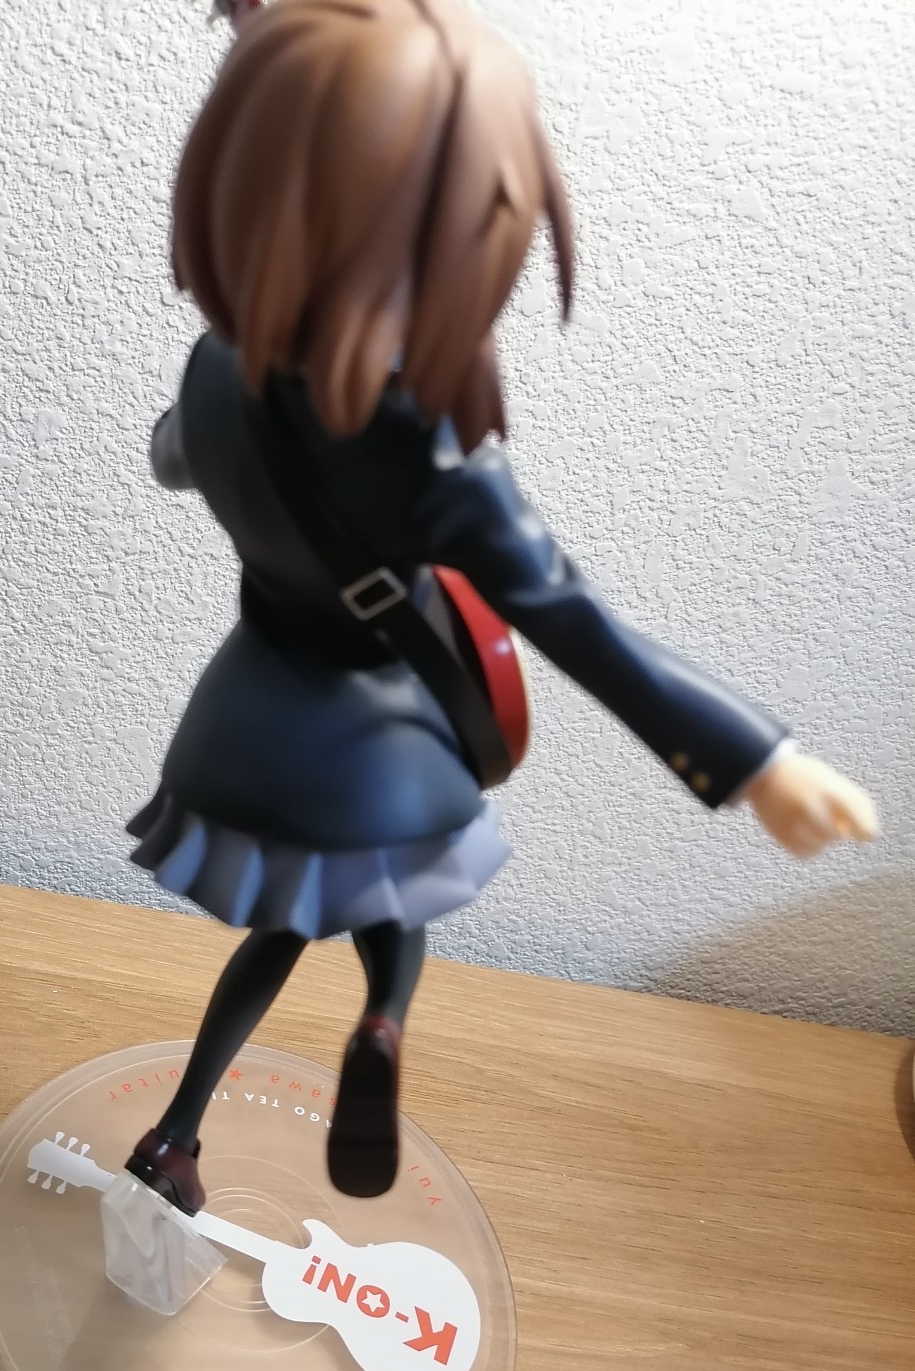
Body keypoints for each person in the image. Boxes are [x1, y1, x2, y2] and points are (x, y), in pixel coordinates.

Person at [122, 0, 876, 1215]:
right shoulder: (435, 468)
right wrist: (757, 762)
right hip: (377, 746)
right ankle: (382, 1019)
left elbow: (168, 458)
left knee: (284, 928)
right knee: (391, 902)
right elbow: (579, 626)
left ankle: (175, 1134)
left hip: (240, 728)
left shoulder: (215, 374)